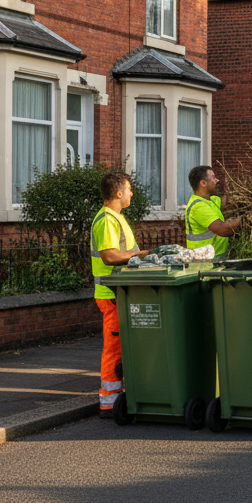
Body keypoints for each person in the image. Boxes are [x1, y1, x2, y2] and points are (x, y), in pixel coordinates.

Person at [92, 172, 149, 418]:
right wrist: (142, 255)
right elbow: (110, 255)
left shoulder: (117, 218)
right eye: (129, 189)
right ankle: (109, 401)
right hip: (111, 292)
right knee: (114, 347)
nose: (131, 193)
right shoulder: (106, 219)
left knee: (122, 346)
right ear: (118, 193)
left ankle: (120, 393)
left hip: (120, 291)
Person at [184, 166, 241, 256]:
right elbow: (222, 230)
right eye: (213, 177)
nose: (217, 180)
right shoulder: (198, 206)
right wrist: (244, 221)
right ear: (203, 183)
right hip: (205, 263)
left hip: (216, 257)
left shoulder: (211, 200)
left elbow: (224, 202)